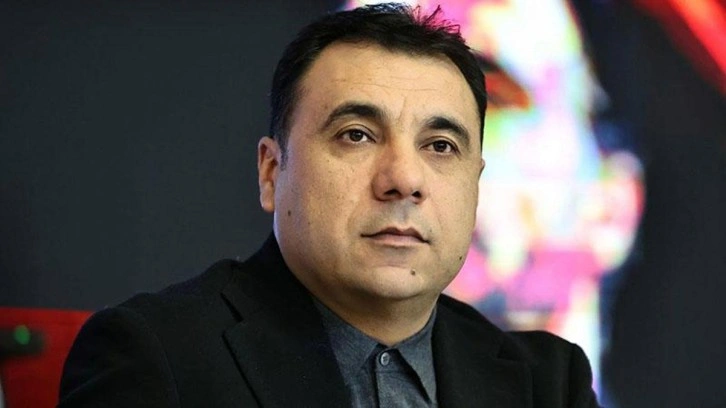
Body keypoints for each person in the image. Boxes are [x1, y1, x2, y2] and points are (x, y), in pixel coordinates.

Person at [59, 3, 600, 407]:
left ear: (475, 184)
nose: (404, 180)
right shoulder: (158, 359)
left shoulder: (548, 383)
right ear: (272, 172)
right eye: (357, 135)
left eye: (440, 146)